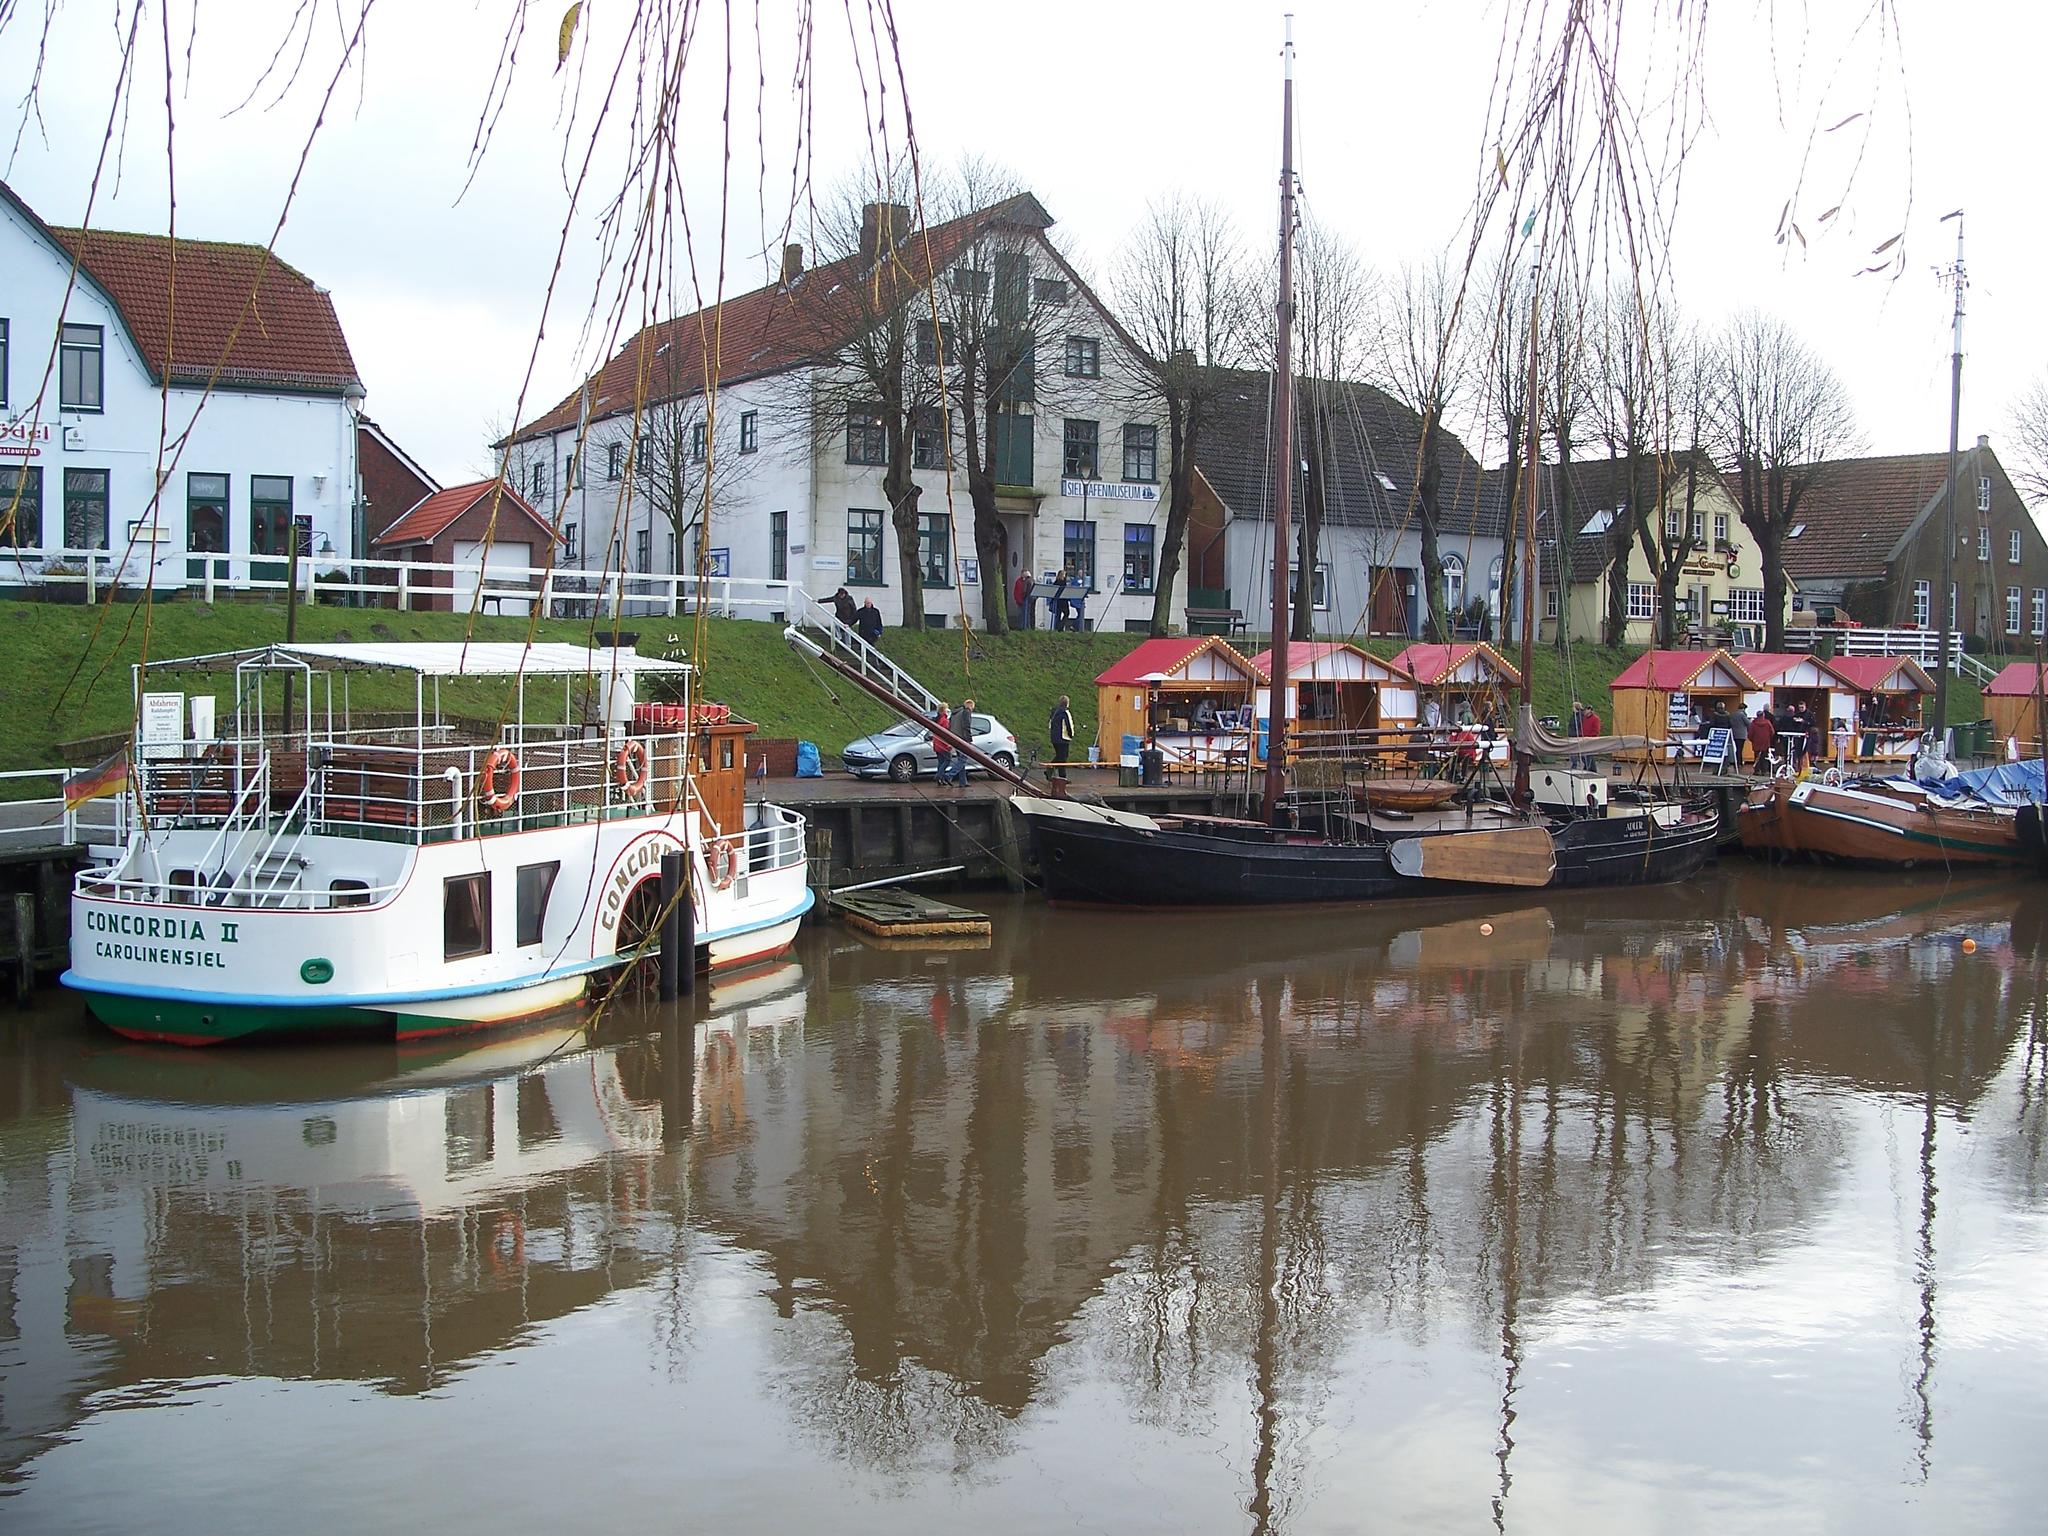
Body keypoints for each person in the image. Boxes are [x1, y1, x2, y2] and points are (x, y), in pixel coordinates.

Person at [944, 698, 975, 786]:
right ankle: (949, 775)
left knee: (960, 760)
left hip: (954, 738)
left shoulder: (955, 713)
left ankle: (963, 782)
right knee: (963, 760)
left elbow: (949, 726)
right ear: (970, 706)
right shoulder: (966, 712)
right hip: (963, 739)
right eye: (972, 708)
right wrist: (969, 740)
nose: (972, 710)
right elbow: (966, 726)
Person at [1048, 693, 1075, 780]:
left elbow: (1050, 724)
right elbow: (1069, 726)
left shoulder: (1054, 712)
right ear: (1067, 703)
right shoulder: (1065, 713)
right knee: (1063, 758)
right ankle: (1061, 777)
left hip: (1054, 738)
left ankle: (1051, 770)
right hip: (1063, 738)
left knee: (1060, 756)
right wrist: (1071, 735)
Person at [929, 703, 953, 786]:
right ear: (944, 710)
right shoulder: (944, 720)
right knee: (948, 760)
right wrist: (949, 744)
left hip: (936, 743)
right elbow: (946, 733)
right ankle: (939, 775)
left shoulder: (937, 719)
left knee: (941, 761)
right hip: (943, 744)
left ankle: (940, 779)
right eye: (946, 709)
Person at [1748, 707, 1776, 775]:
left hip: (1756, 742)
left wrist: (1752, 740)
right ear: (1763, 715)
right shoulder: (1767, 722)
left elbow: (1750, 734)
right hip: (1766, 742)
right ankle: (1764, 771)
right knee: (1765, 757)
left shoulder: (1753, 723)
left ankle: (1757, 771)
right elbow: (1772, 732)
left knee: (1757, 757)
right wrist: (1769, 739)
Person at [1731, 701, 1751, 768]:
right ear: (1743, 708)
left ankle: (1736, 762)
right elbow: (1748, 723)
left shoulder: (1733, 714)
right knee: (1740, 749)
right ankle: (1739, 763)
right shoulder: (1742, 715)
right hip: (1741, 734)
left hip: (1734, 734)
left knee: (1737, 748)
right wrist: (1750, 719)